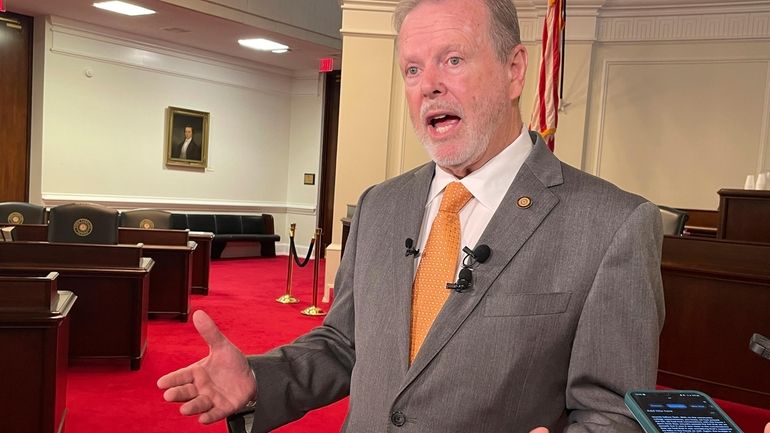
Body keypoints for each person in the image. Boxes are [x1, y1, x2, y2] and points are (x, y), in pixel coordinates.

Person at [157, 0, 665, 431]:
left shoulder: (612, 225)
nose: (429, 86)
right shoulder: (381, 205)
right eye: (413, 69)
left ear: (514, 70)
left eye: (453, 60)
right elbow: (343, 343)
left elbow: (615, 411)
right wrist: (257, 379)